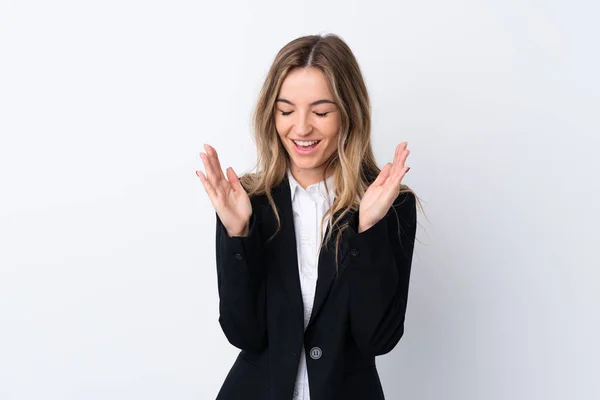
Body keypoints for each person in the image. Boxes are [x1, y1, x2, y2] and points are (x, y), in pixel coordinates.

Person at [196, 33, 418, 400]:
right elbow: (244, 335)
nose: (300, 128)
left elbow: (377, 338)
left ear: (349, 113)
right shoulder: (247, 203)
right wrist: (239, 233)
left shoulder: (388, 205)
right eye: (286, 111)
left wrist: (368, 229)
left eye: (320, 112)